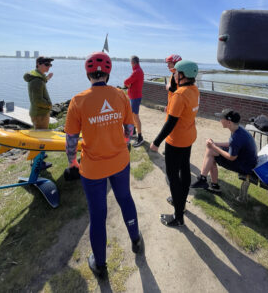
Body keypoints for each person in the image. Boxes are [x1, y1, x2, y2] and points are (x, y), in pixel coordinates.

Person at [65, 52, 143, 278]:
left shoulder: (78, 100)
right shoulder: (120, 95)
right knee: (125, 199)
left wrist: (72, 162)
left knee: (98, 214)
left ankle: (100, 265)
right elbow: (129, 129)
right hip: (120, 162)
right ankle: (136, 241)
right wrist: (124, 144)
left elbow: (70, 139)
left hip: (92, 169)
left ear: (88, 73)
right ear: (107, 73)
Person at [150, 60, 200, 227]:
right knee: (184, 170)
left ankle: (178, 216)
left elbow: (170, 123)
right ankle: (180, 202)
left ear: (182, 75)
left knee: (173, 177)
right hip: (188, 137)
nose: (174, 76)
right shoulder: (194, 90)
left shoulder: (180, 95)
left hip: (176, 141)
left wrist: (156, 142)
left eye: (176, 73)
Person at [190, 108, 257, 193]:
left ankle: (204, 180)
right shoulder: (238, 128)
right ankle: (209, 183)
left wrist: (214, 146)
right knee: (211, 151)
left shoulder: (236, 138)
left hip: (245, 166)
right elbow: (230, 144)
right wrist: (216, 144)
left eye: (222, 118)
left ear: (229, 122)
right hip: (246, 159)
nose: (220, 120)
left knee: (211, 152)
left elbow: (231, 157)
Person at [23, 56, 54, 169]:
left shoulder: (38, 77)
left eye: (50, 64)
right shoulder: (36, 80)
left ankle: (40, 155)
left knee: (40, 136)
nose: (49, 66)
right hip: (40, 114)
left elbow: (41, 82)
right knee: (41, 139)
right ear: (38, 64)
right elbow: (37, 101)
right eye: (46, 64)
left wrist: (47, 78)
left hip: (38, 113)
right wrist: (49, 105)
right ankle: (38, 163)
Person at [124, 55, 144, 147]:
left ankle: (140, 138)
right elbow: (130, 82)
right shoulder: (138, 70)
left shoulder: (136, 71)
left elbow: (126, 81)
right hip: (135, 96)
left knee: (135, 116)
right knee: (133, 114)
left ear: (132, 63)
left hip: (135, 97)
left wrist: (128, 85)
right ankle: (134, 131)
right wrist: (129, 85)